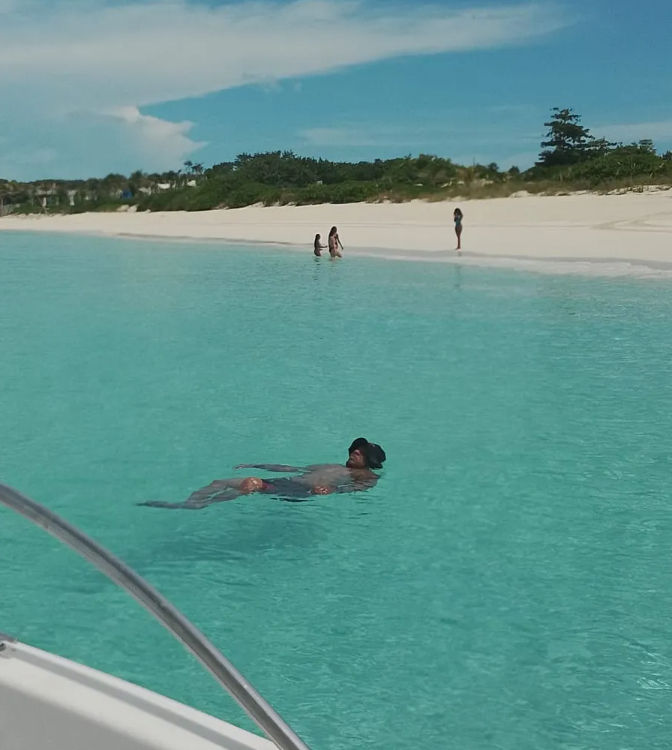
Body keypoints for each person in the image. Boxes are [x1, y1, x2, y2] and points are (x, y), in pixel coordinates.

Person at [139, 437, 386, 509]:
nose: (355, 452)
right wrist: (258, 464)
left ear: (369, 461)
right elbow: (292, 469)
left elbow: (356, 489)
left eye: (361, 452)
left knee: (251, 484)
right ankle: (193, 502)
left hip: (302, 491)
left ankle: (202, 505)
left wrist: (332, 490)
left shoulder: (367, 477)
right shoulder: (330, 465)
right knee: (222, 481)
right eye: (356, 448)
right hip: (288, 481)